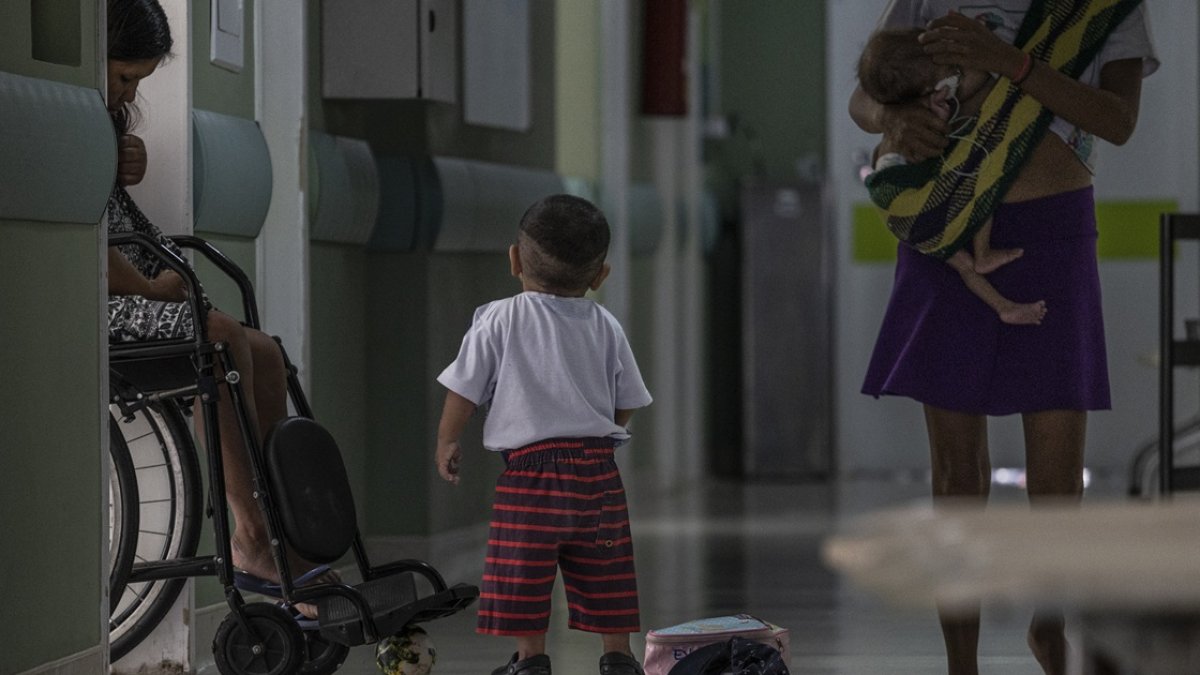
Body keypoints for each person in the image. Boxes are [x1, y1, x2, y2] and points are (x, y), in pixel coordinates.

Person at [852, 2, 1157, 674]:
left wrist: (1010, 63)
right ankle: (961, 663)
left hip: (1054, 229)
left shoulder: (1104, 7)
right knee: (958, 474)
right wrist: (893, 121)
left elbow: (1117, 120)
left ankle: (1049, 626)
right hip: (948, 225)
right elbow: (865, 97)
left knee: (1056, 478)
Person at [105, 0, 333, 614]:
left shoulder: (101, 123)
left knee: (264, 352)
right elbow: (89, 250)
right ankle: (251, 535)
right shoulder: (73, 122)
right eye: (123, 76)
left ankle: (279, 529)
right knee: (223, 339)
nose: (128, 92)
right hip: (103, 303)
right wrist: (151, 288)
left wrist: (123, 152)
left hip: (136, 285)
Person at [434, 194, 653, 675]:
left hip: (528, 476)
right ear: (600, 276)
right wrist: (606, 430)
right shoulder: (606, 324)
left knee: (523, 573)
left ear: (514, 260)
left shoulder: (499, 318)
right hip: (597, 473)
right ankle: (618, 657)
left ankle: (530, 661)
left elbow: (463, 390)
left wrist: (448, 441)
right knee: (607, 571)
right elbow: (630, 398)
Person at [858, 26, 1046, 326]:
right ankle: (985, 256)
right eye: (948, 72)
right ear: (925, 86)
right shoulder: (911, 122)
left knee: (964, 266)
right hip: (906, 199)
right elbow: (929, 155)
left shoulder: (904, 118)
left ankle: (1003, 305)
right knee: (979, 185)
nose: (954, 78)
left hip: (906, 220)